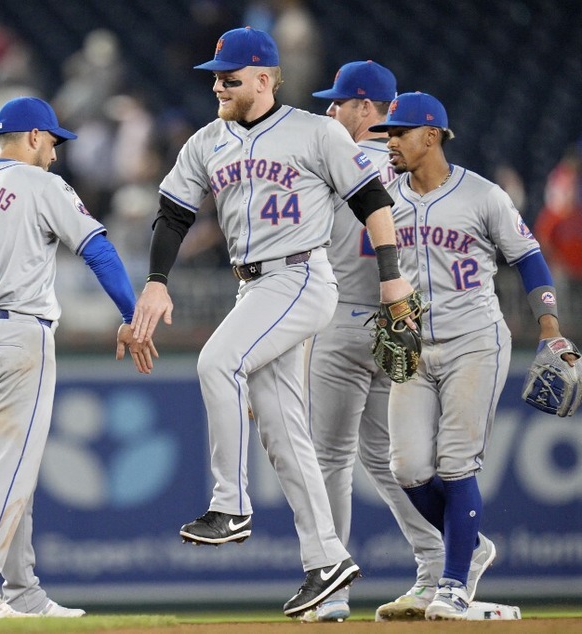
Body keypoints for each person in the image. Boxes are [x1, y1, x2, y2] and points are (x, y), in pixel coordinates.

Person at [130, 27, 417, 617]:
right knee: (285, 435)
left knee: (216, 361)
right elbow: (172, 214)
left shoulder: (316, 132)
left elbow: (374, 203)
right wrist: (156, 280)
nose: (218, 84)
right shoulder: (208, 140)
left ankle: (230, 506)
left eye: (229, 76)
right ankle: (327, 559)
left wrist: (391, 278)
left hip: (301, 275)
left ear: (264, 78)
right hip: (252, 284)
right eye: (215, 74)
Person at [0, 96, 156, 618]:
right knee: (9, 472)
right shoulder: (43, 185)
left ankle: (22, 591)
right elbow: (99, 250)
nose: (56, 153)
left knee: (9, 467)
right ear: (36, 137)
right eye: (53, 142)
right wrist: (134, 315)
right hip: (21, 335)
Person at [367, 92, 578, 620]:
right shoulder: (381, 200)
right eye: (387, 133)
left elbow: (529, 259)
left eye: (400, 132)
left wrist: (549, 327)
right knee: (408, 467)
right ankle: (472, 544)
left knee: (456, 463)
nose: (389, 141)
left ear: (431, 135)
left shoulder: (483, 196)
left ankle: (455, 583)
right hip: (414, 348)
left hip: (474, 342)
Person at [301, 61, 445, 623]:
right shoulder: (411, 165)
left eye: (338, 102)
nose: (328, 111)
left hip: (344, 318)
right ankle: (441, 562)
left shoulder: (329, 155)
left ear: (367, 108)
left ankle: (331, 587)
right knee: (390, 458)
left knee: (329, 457)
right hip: (398, 319)